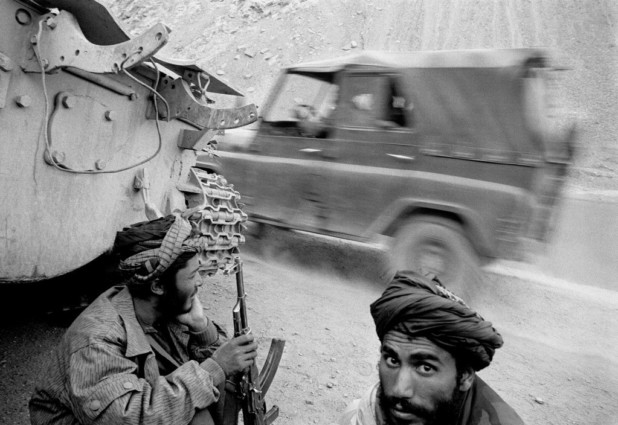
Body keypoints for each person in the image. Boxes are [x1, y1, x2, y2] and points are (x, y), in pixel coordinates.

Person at [29, 212, 257, 425]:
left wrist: (202, 329)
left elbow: (218, 374)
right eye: (192, 275)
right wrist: (215, 368)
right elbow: (128, 417)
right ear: (157, 286)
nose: (200, 282)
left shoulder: (161, 308)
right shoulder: (96, 339)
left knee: (204, 407)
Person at [339, 270, 525, 425]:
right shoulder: (367, 411)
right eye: (393, 360)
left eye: (425, 368)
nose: (399, 390)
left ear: (465, 376)